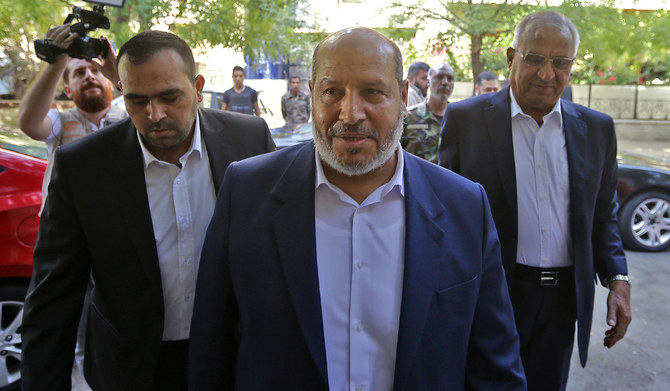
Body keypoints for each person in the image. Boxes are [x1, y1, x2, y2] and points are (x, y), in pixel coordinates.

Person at [189, 27, 525, 390]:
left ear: (402, 95)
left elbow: (495, 365)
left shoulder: (464, 207)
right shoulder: (247, 193)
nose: (350, 114)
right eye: (332, 92)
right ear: (313, 94)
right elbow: (212, 349)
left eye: (372, 92)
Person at [21, 30, 275, 391]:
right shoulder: (83, 166)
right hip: (130, 370)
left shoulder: (250, 139)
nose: (155, 114)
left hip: (232, 363)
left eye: (170, 97)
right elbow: (52, 299)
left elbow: (275, 255)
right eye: (138, 101)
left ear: (198, 87)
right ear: (121, 88)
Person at [439, 11, 631, 391]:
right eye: (535, 58)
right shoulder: (466, 120)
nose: (547, 74)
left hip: (563, 303)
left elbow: (603, 217)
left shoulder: (597, 129)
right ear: (511, 58)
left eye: (560, 63)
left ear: (571, 67)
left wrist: (618, 280)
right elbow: (446, 217)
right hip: (492, 296)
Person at [17, 23, 127, 207]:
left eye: (96, 71)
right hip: (66, 229)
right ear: (67, 90)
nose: (89, 76)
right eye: (79, 72)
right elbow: (29, 123)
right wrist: (57, 62)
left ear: (109, 83)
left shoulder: (129, 120)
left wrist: (118, 76)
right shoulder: (58, 122)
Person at [402, 62, 454, 163]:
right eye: (439, 77)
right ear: (428, 82)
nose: (445, 82)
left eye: (450, 78)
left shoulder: (459, 118)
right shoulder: (409, 117)